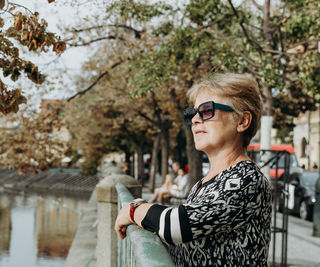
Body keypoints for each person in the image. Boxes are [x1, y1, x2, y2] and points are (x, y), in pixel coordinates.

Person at [114, 73, 272, 266]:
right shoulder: (205, 182)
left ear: (242, 121)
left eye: (206, 111)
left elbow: (178, 226)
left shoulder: (246, 179)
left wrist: (133, 211)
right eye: (192, 113)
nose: (196, 120)